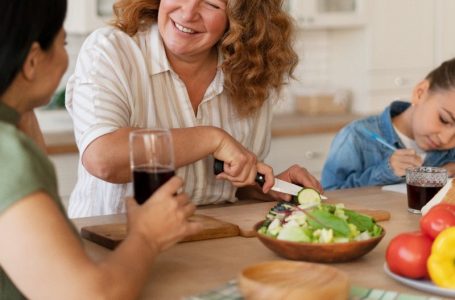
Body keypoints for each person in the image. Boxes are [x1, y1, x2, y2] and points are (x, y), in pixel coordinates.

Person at [0, 1, 201, 298]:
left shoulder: (15, 130)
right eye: (63, 43)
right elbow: (90, 295)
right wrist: (146, 236)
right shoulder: (9, 154)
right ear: (31, 62)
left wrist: (20, 103)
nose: (67, 58)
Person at [66, 0, 322, 217]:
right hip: (108, 245)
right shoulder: (111, 50)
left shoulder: (251, 73)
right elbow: (103, 159)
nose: (188, 12)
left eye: (212, 3)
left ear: (240, 17)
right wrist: (213, 139)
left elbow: (226, 182)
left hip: (208, 242)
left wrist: (266, 186)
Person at [321, 58, 455, 190]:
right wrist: (385, 172)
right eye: (444, 119)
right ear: (420, 93)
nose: (445, 139)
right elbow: (328, 196)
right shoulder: (356, 136)